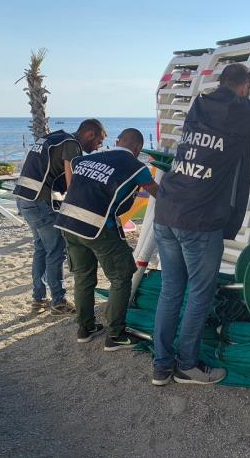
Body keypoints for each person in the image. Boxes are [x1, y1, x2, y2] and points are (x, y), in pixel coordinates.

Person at [150, 63, 250, 386]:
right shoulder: (239, 111)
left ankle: (161, 365)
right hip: (199, 220)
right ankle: (187, 365)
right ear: (245, 86)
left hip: (167, 209)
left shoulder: (201, 104)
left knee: (171, 291)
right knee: (200, 293)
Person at [54, 128, 158, 350]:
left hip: (67, 222)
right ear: (138, 149)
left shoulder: (86, 159)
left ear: (118, 141)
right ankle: (116, 335)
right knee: (122, 276)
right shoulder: (137, 167)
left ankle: (86, 328)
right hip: (97, 227)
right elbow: (159, 193)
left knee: (83, 275)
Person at [14, 119, 106, 314]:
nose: (98, 147)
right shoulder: (72, 144)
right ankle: (59, 300)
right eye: (99, 142)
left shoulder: (55, 136)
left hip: (24, 196)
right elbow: (71, 180)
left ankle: (39, 298)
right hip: (40, 201)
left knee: (41, 248)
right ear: (90, 134)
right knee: (56, 250)